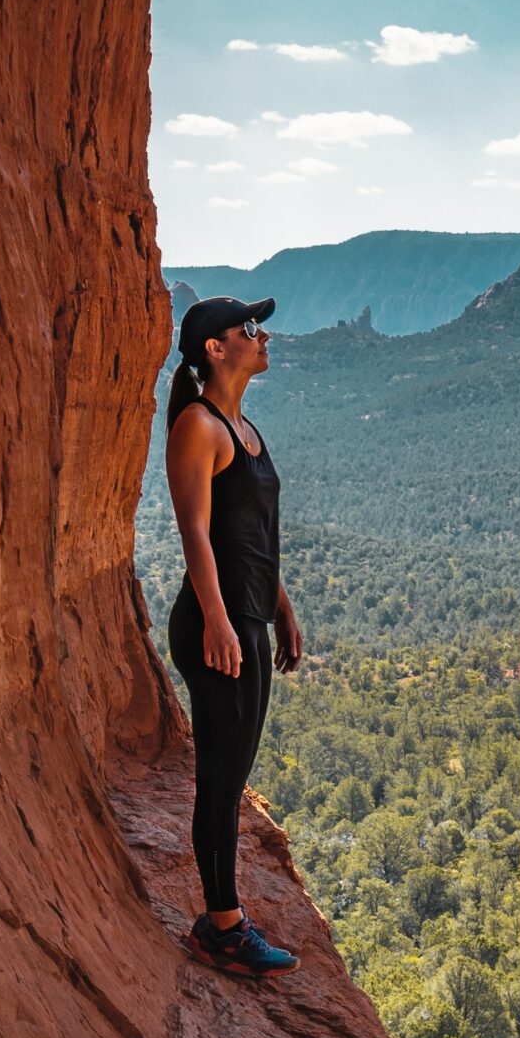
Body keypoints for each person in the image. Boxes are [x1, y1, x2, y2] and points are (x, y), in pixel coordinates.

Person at [164, 294, 303, 977]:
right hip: (215, 624)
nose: (262, 334)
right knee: (220, 780)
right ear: (215, 349)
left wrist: (279, 603)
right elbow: (193, 528)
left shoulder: (246, 429)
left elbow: (250, 536)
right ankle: (221, 927)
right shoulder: (200, 424)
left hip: (248, 618)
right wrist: (218, 618)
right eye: (249, 328)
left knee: (234, 772)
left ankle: (225, 918)